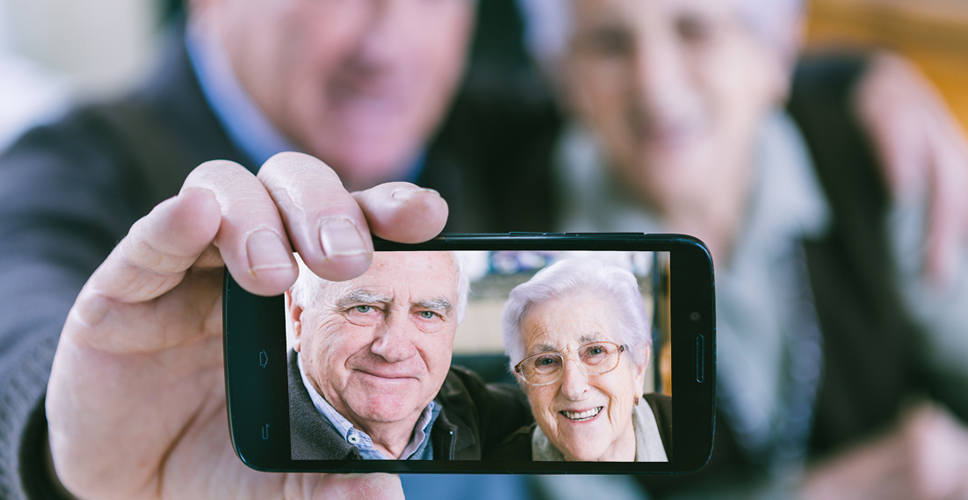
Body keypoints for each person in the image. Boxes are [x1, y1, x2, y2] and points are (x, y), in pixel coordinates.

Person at [1, 0, 966, 498]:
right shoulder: (73, 168)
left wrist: (863, 79)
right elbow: (27, 314)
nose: (392, 35)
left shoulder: (469, 132)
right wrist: (66, 447)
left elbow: (667, 88)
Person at [517, 0, 968, 498]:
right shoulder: (523, 255)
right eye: (609, 45)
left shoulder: (877, 154)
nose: (654, 83)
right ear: (566, 78)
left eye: (696, 31)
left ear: (773, 53)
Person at [286, 251, 530, 460]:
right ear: (298, 317)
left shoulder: (482, 409)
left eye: (427, 314)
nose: (395, 351)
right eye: (364, 308)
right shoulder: (254, 447)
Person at [486, 258, 671, 462]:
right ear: (524, 384)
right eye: (546, 361)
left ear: (638, 366)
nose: (572, 388)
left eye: (595, 351)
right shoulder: (499, 473)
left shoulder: (700, 436)